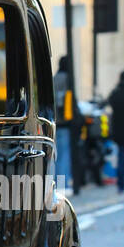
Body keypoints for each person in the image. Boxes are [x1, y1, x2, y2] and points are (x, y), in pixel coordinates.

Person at [53, 56, 72, 191]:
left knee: (56, 155)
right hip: (64, 121)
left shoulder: (54, 78)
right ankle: (63, 184)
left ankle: (55, 183)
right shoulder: (67, 79)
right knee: (64, 155)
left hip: (54, 121)